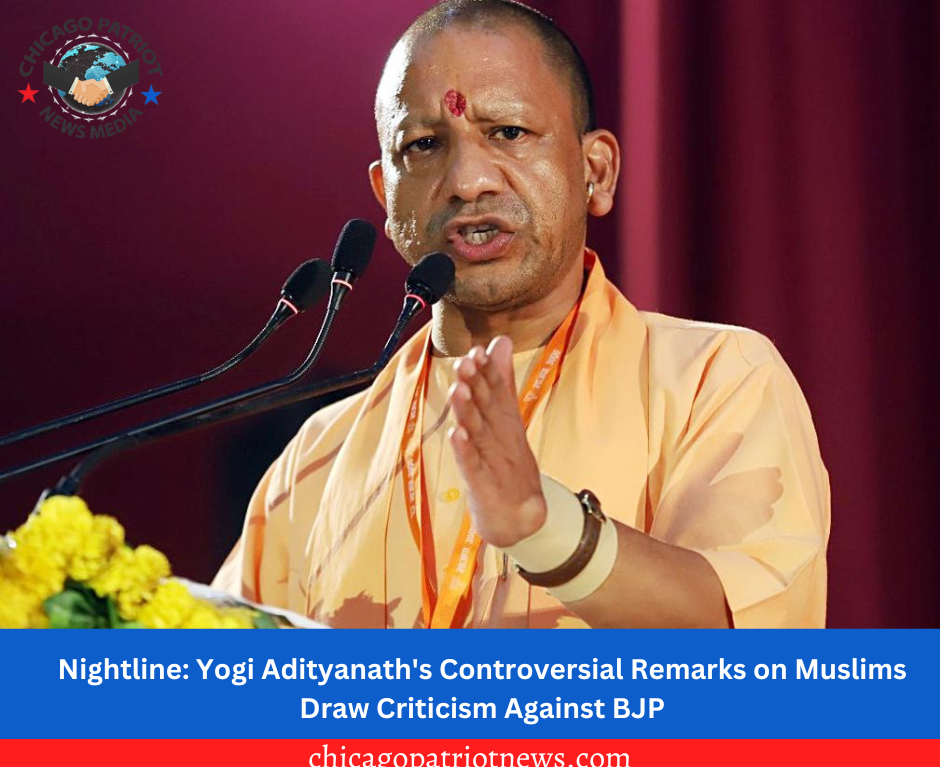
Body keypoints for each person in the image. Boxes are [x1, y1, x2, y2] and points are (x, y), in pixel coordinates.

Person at [213, 0, 829, 629]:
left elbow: (753, 652)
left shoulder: (713, 379)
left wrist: (549, 530)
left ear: (596, 170)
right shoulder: (318, 457)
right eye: (424, 145)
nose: (468, 180)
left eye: (508, 132)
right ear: (386, 199)